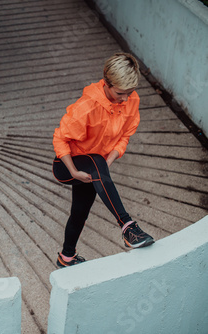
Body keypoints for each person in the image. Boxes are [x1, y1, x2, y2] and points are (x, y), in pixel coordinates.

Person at [52, 52, 154, 268]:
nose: (126, 98)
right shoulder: (87, 106)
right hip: (67, 165)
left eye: (130, 92)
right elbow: (60, 139)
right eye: (120, 93)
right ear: (106, 84)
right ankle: (128, 227)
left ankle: (66, 257)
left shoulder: (131, 100)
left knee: (79, 213)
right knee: (95, 160)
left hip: (96, 168)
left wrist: (107, 164)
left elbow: (125, 136)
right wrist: (73, 171)